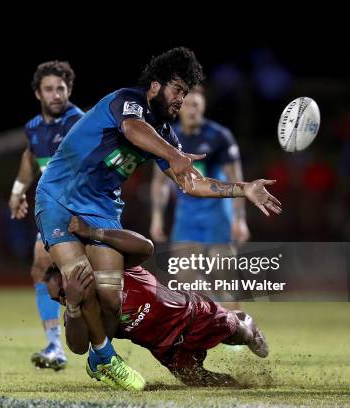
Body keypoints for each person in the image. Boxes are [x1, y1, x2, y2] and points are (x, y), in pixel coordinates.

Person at [34, 47, 280, 390]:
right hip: (59, 195)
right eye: (178, 90)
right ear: (155, 86)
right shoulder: (128, 101)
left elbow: (191, 182)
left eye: (187, 93)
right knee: (80, 281)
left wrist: (243, 189)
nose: (182, 99)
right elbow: (133, 129)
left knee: (109, 298)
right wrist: (174, 154)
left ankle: (97, 356)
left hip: (102, 205)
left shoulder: (165, 133)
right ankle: (106, 359)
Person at [44, 215, 268, 387]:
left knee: (239, 335)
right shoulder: (80, 314)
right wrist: (72, 306)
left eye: (62, 292)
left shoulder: (110, 271)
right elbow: (79, 347)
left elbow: (146, 247)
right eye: (58, 299)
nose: (62, 300)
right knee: (200, 381)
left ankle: (245, 322)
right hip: (165, 349)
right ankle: (243, 386)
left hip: (191, 316)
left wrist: (93, 232)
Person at [8, 60, 84, 370]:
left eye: (61, 89)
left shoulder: (79, 122)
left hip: (83, 211)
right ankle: (55, 344)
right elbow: (31, 156)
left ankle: (95, 348)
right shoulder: (34, 128)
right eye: (49, 89)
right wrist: (17, 191)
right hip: (53, 213)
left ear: (69, 90)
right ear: (38, 93)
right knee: (42, 266)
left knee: (85, 281)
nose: (55, 95)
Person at [150, 86, 249, 304]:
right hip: (186, 216)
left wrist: (240, 220)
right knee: (184, 278)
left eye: (196, 105)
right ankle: (212, 308)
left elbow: (237, 178)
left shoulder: (220, 136)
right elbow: (160, 182)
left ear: (203, 107)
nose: (191, 110)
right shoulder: (168, 137)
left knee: (224, 278)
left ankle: (237, 323)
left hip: (218, 216)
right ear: (179, 107)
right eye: (187, 105)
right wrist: (157, 218)